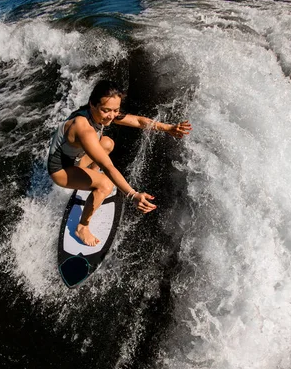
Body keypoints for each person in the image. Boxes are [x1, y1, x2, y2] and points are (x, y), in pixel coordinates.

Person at [48, 80, 192, 246]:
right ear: (92, 105)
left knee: (107, 143)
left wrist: (167, 128)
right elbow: (108, 166)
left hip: (76, 159)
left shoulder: (100, 114)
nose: (111, 115)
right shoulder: (83, 128)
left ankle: (93, 179)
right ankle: (82, 227)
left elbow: (138, 121)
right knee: (106, 185)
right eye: (106, 110)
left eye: (115, 110)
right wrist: (133, 195)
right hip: (61, 170)